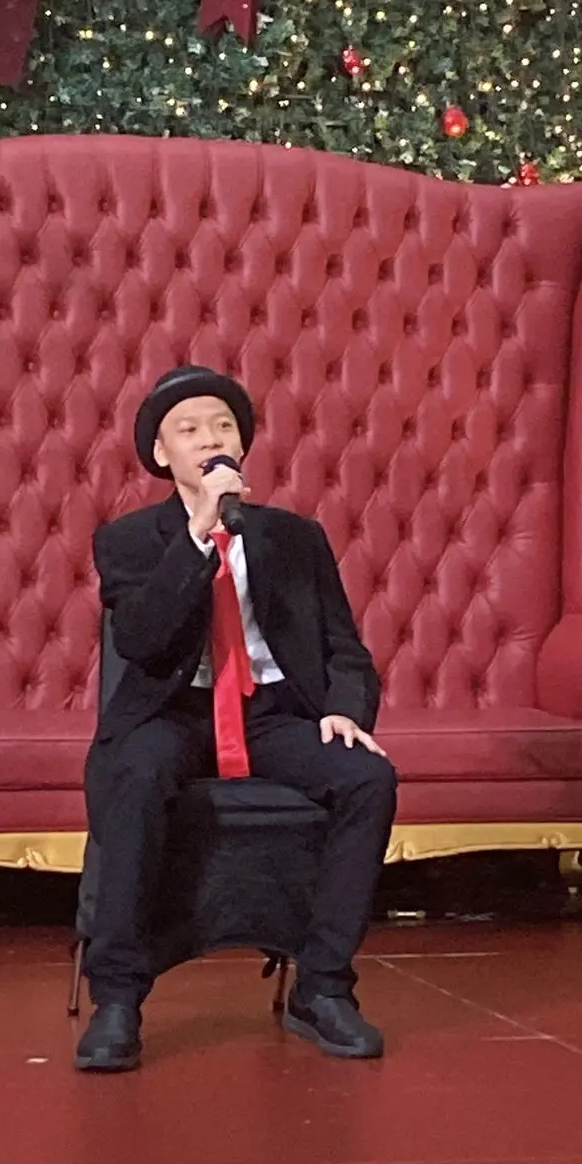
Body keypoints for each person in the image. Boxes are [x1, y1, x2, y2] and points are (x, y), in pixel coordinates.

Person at [77, 364, 397, 1072]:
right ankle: (118, 1000)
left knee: (367, 779)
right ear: (161, 453)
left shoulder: (295, 538)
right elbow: (144, 640)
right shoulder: (128, 541)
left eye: (223, 427)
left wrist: (345, 710)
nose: (210, 440)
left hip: (272, 709)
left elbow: (344, 647)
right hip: (173, 709)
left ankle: (323, 986)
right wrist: (198, 535)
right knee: (134, 775)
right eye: (189, 430)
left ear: (242, 447)